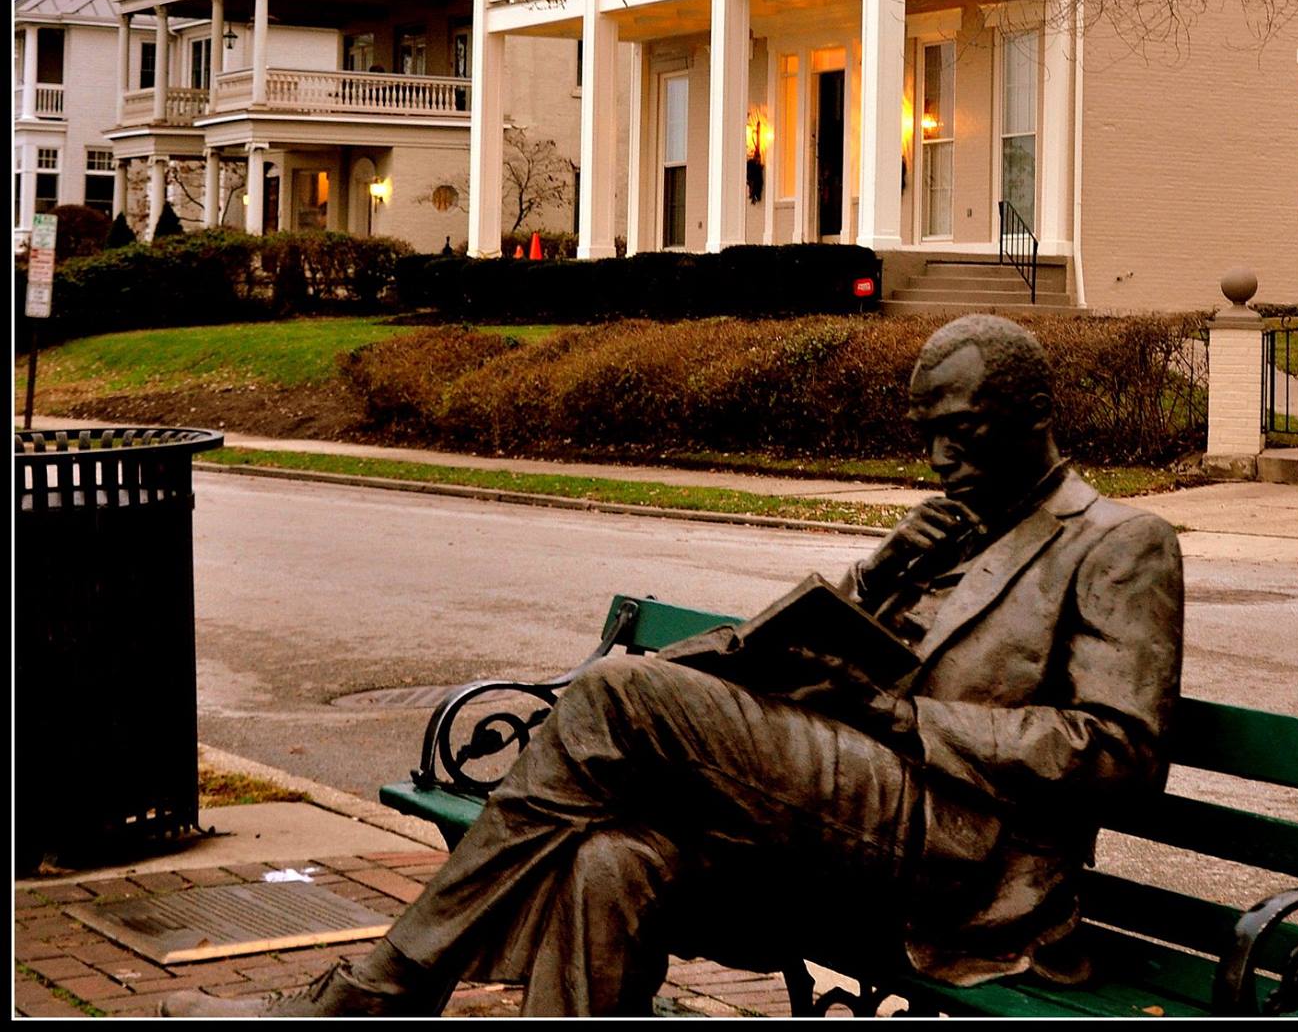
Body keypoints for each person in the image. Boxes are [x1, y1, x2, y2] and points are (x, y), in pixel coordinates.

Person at [167, 314, 1184, 1017]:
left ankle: (388, 986)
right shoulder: (943, 530)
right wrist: (879, 575)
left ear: (1032, 411)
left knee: (619, 692)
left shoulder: (1114, 543)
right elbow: (830, 649)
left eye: (961, 434)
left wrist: (900, 719)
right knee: (611, 860)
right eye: (926, 436)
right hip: (842, 814)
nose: (939, 460)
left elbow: (1121, 751)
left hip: (957, 838)